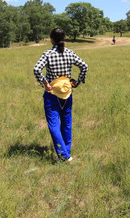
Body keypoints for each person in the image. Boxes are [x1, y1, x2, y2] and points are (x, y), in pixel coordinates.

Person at [33, 28, 88, 162]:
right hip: (67, 92)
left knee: (53, 124)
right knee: (67, 122)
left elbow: (36, 69)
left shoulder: (48, 54)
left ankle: (64, 155)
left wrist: (45, 83)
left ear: (52, 39)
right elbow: (84, 66)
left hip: (52, 93)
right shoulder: (70, 53)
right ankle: (66, 152)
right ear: (63, 38)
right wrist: (78, 81)